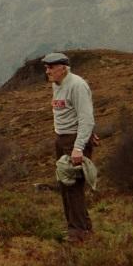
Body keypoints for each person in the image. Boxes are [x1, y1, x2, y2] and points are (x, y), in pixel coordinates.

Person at [43, 52, 97, 242]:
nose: (47, 71)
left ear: (63, 68)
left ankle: (79, 233)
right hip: (62, 138)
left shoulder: (77, 85)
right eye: (46, 67)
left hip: (73, 142)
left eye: (51, 67)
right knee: (65, 185)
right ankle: (79, 227)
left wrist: (80, 146)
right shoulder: (56, 84)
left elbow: (86, 117)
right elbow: (73, 113)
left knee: (73, 186)